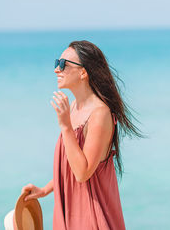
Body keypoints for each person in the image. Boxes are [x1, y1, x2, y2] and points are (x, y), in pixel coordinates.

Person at [11, 40, 145, 229]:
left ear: (83, 72)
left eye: (63, 64)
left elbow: (82, 173)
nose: (57, 70)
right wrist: (45, 190)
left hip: (91, 216)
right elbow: (70, 166)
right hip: (71, 211)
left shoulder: (100, 114)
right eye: (57, 63)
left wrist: (65, 127)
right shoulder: (73, 108)